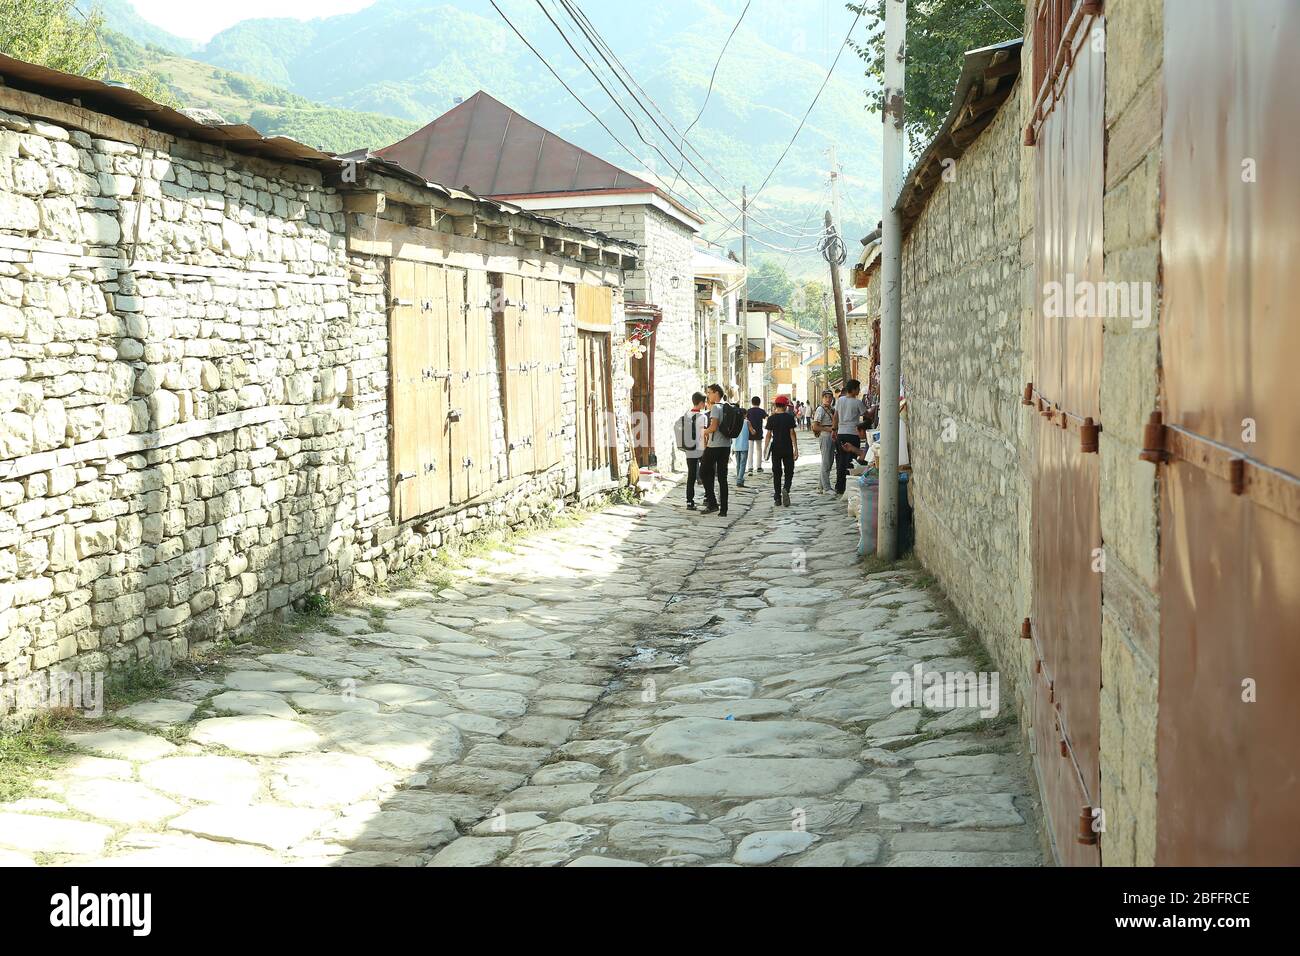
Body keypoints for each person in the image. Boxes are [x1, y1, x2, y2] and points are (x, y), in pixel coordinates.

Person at [699, 384, 732, 517]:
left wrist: (703, 432)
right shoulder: (728, 406)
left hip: (714, 446)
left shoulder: (716, 408)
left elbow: (713, 427)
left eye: (709, 392)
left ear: (716, 393)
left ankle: (712, 503)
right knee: (722, 477)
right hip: (726, 446)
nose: (708, 395)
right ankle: (723, 509)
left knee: (702, 471)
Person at [675, 392, 709, 510]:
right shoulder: (702, 417)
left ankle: (689, 501)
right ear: (700, 403)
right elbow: (703, 434)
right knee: (706, 474)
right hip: (700, 448)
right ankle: (707, 497)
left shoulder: (686, 415)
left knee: (691, 475)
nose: (705, 404)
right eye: (704, 402)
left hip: (689, 449)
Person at [763, 395, 799, 507]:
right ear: (784, 406)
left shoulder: (771, 418)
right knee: (789, 471)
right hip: (787, 447)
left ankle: (777, 497)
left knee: (777, 472)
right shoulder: (789, 417)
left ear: (776, 405)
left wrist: (765, 448)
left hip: (776, 448)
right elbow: (792, 433)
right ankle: (786, 489)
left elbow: (768, 435)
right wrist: (795, 448)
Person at [832, 378, 866, 496]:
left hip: (841, 433)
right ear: (854, 389)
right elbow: (866, 415)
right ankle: (849, 486)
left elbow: (835, 416)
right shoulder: (858, 403)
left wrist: (834, 430)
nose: (859, 390)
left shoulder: (840, 400)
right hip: (853, 433)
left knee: (841, 460)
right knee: (851, 461)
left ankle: (839, 486)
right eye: (858, 388)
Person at [811, 389, 836, 494]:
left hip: (832, 436)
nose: (828, 399)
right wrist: (829, 429)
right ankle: (826, 488)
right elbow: (815, 426)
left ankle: (820, 486)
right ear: (822, 398)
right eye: (826, 397)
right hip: (825, 436)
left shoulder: (831, 409)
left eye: (830, 397)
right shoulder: (820, 410)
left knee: (829, 461)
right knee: (826, 461)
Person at [745, 397, 767, 475]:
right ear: (759, 402)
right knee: (759, 449)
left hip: (750, 433)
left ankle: (750, 467)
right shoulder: (762, 411)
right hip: (759, 432)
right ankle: (759, 467)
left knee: (750, 450)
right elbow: (767, 418)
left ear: (752, 402)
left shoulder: (749, 411)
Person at [732, 397, 751, 487]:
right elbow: (753, 431)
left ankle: (739, 478)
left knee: (738, 464)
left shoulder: (734, 422)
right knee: (743, 463)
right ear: (745, 415)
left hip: (736, 446)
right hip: (744, 446)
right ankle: (739, 479)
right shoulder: (747, 422)